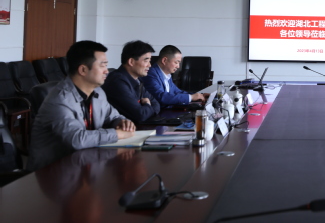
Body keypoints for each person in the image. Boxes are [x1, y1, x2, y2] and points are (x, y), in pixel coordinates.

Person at [27, 41, 135, 172]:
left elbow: (112, 116)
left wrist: (122, 122)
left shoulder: (98, 92)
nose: (107, 71)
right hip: (52, 173)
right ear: (83, 70)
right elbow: (77, 139)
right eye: (102, 65)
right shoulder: (59, 100)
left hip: (84, 165)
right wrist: (117, 134)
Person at [102, 40, 160, 124]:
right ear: (131, 62)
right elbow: (140, 115)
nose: (149, 65)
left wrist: (147, 108)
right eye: (146, 61)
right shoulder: (117, 82)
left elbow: (156, 104)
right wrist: (147, 104)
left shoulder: (137, 80)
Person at [141, 45, 208, 107]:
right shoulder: (150, 74)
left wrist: (200, 95)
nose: (178, 66)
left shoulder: (166, 74)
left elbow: (177, 92)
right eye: (176, 62)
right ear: (164, 60)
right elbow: (161, 96)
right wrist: (191, 97)